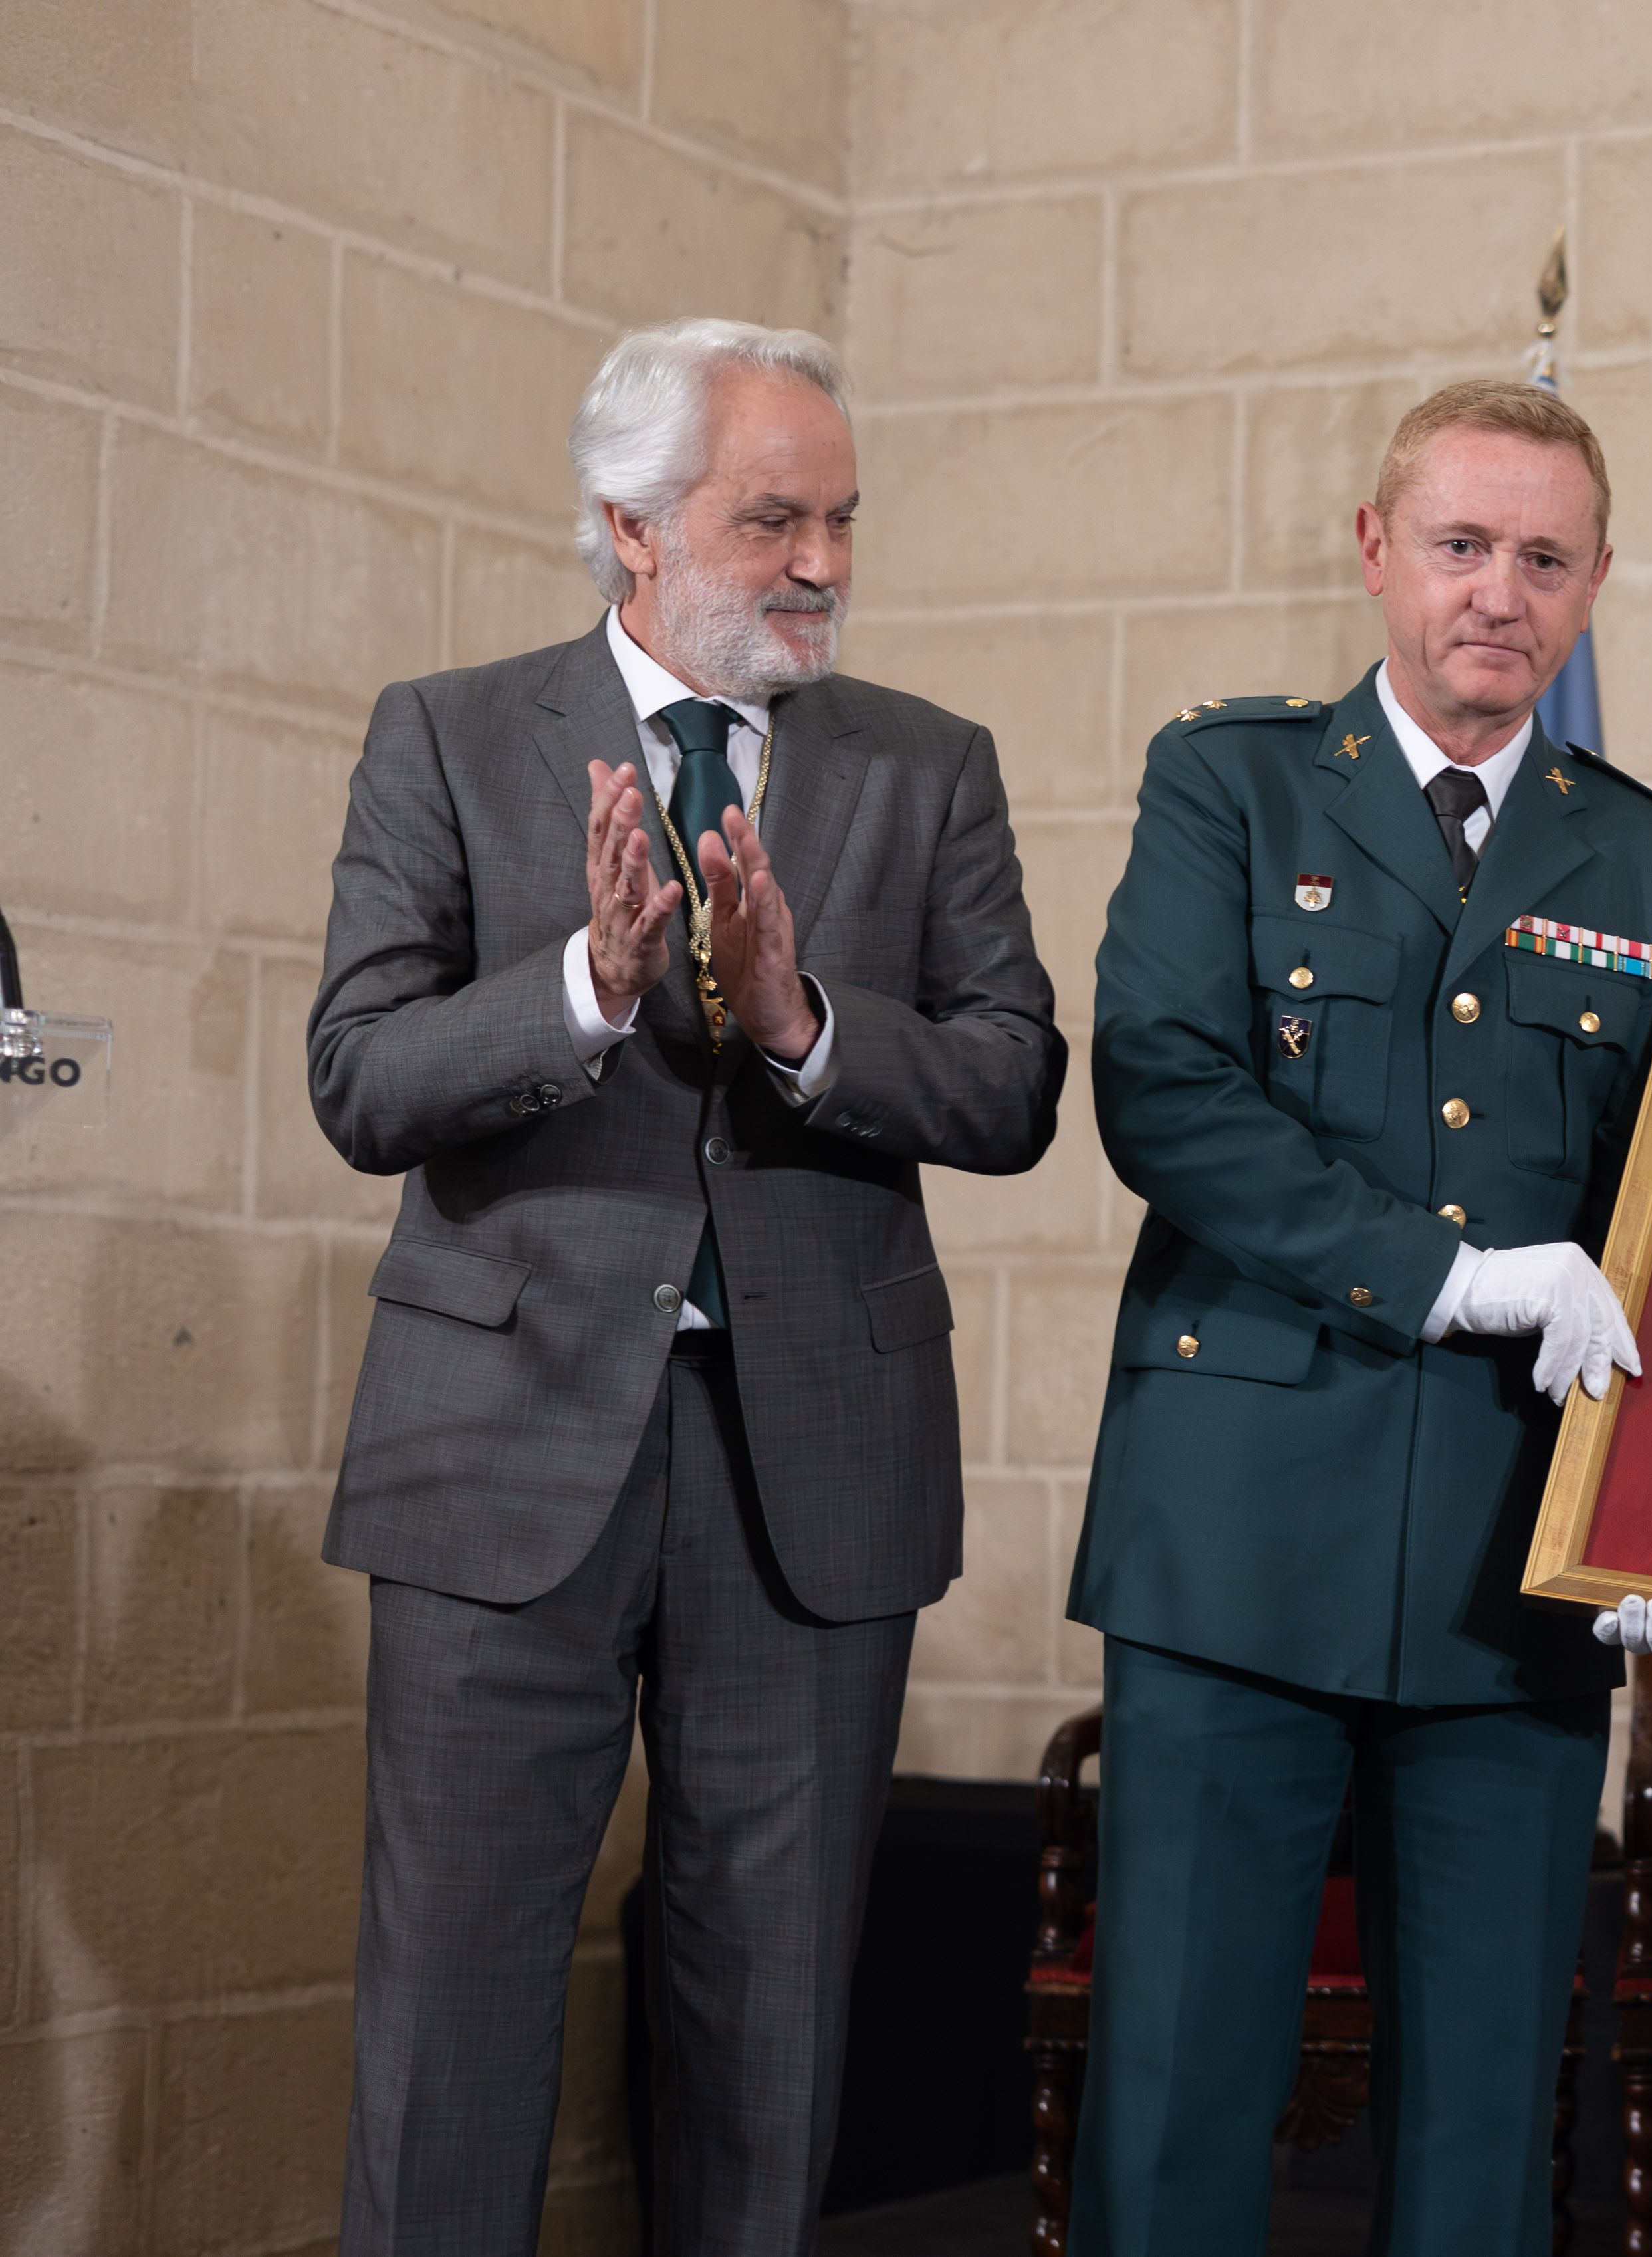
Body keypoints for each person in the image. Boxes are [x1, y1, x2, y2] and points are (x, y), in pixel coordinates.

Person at [308, 318, 1064, 2252]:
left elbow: (1012, 1086)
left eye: (841, 520)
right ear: (631, 525)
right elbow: (362, 1079)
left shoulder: (926, 765)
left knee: (770, 2026)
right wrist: (584, 986)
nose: (820, 563)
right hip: (500, 1455)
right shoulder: (447, 733)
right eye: (771, 520)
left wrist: (807, 1025)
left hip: (811, 1470)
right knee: (453, 2013)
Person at [1064, 378, 1652, 2254]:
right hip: (1236, 1534)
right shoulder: (1234, 781)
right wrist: (1451, 1277)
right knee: (1179, 2094)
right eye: (1460, 544)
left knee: (1482, 2129)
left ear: (1595, 585)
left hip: (1515, 1561)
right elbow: (1165, 1091)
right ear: (1375, 550)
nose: (1498, 592)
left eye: (1544, 558)